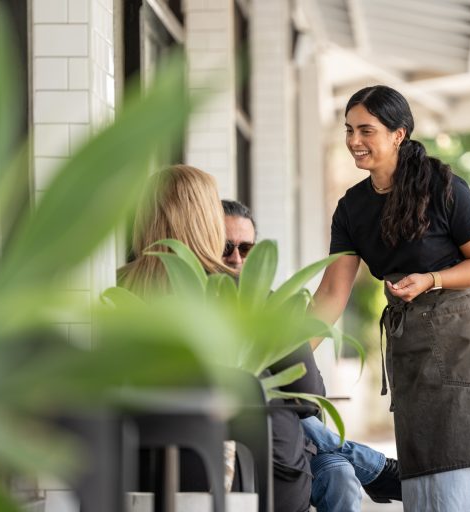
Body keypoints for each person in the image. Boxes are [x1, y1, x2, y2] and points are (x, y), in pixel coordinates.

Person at [310, 86, 470, 511]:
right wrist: (291, 358)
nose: (353, 141)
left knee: (464, 485)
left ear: (399, 134)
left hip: (462, 351)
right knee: (424, 491)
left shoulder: (443, 186)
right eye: (348, 130)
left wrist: (431, 279)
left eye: (366, 130)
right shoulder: (352, 207)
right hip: (411, 354)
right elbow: (331, 292)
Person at [118, 165, 325, 512]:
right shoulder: (248, 291)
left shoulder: (114, 289)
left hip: (136, 473)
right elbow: (309, 393)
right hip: (253, 480)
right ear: (207, 220)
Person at [221, 199, 402, 509]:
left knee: (341, 474)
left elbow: (312, 390)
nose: (237, 258)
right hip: (256, 445)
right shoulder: (198, 307)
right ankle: (373, 467)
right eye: (226, 247)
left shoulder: (269, 306)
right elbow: (303, 396)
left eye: (246, 249)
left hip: (300, 441)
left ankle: (364, 463)